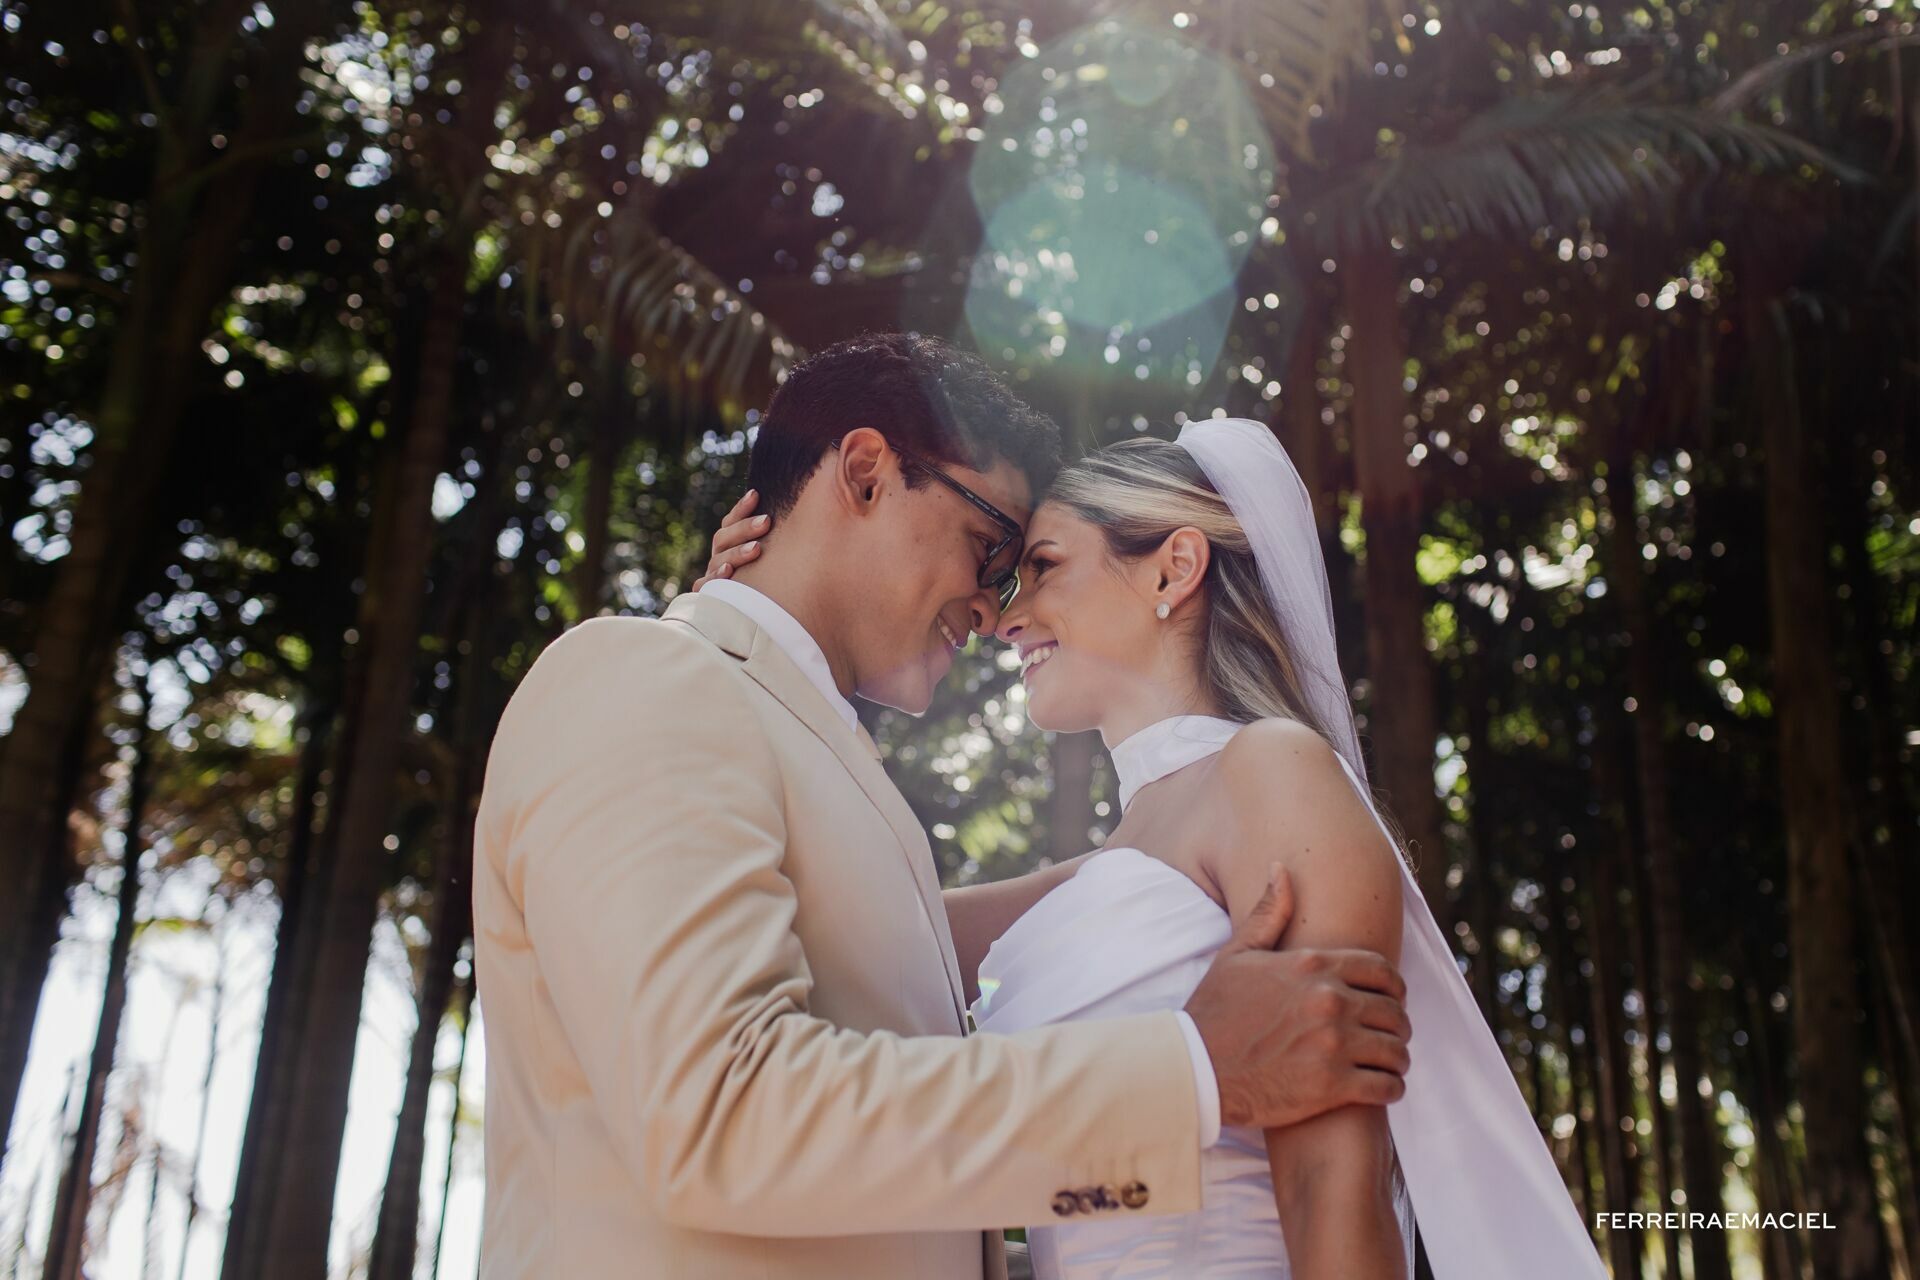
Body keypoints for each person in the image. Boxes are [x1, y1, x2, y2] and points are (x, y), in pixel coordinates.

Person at [471, 332, 1413, 1280]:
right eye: (991, 547)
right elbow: (721, 1114)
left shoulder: (828, 781)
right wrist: (1192, 1072)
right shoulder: (650, 679)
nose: (996, 606)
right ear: (869, 474)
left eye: (1027, 566)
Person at [708, 414, 1610, 1279]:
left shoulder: (1276, 772)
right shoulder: (1116, 866)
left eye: (1045, 568)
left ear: (1173, 568)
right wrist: (753, 635)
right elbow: (854, 936)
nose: (1004, 619)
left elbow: (1333, 1193)